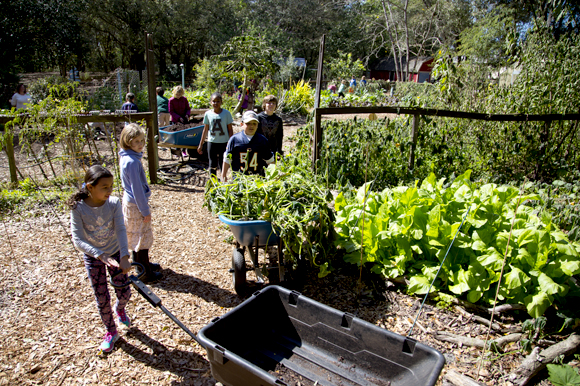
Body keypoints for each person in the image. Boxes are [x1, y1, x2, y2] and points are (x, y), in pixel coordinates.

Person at [68, 165, 132, 353]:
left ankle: (120, 309)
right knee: (101, 297)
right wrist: (100, 255)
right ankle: (111, 332)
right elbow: (78, 239)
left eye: (111, 186)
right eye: (104, 187)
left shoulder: (113, 203)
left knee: (125, 292)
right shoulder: (78, 208)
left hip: (115, 253)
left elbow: (120, 229)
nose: (109, 190)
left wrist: (125, 256)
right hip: (94, 256)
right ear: (90, 187)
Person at [119, 124, 162, 283]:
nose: (140, 144)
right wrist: (145, 210)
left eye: (142, 140)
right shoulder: (132, 162)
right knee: (142, 237)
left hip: (130, 202)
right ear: (128, 141)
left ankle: (141, 264)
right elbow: (136, 189)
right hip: (136, 204)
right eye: (136, 141)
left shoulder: (126, 156)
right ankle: (145, 272)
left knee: (135, 234)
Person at [222, 111, 274, 182]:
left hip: (257, 179)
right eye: (248, 123)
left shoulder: (262, 140)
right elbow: (227, 159)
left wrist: (273, 176)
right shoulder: (234, 139)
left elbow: (270, 160)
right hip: (239, 179)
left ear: (258, 125)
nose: (251, 126)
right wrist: (223, 175)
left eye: (254, 123)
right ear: (241, 124)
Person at [198, 92, 233, 177]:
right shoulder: (208, 114)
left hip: (223, 142)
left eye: (218, 101)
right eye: (214, 101)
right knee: (212, 163)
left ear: (221, 102)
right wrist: (200, 144)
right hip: (212, 142)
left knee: (222, 162)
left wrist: (231, 142)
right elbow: (205, 129)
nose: (215, 103)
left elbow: (230, 129)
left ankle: (223, 181)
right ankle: (213, 181)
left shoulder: (226, 113)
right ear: (210, 102)